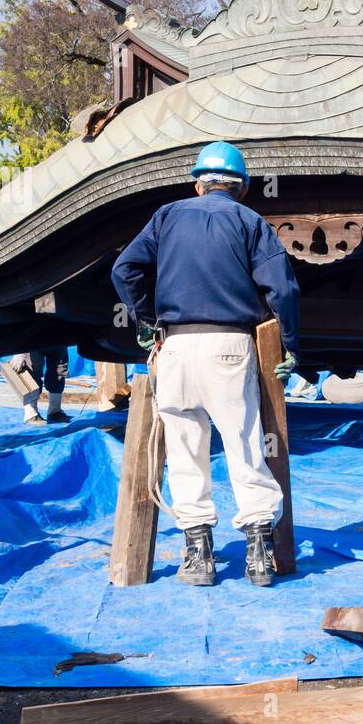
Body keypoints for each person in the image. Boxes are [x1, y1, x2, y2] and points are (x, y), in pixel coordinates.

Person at [111, 141, 300, 588]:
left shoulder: (167, 215)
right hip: (230, 349)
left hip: (173, 349)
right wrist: (290, 346)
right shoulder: (250, 221)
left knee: (184, 450)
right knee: (245, 446)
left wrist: (145, 322)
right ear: (243, 187)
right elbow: (284, 290)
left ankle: (198, 556)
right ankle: (258, 555)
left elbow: (124, 270)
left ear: (198, 183)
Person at [8, 347, 71, 426]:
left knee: (59, 374)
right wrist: (19, 352)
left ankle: (55, 411)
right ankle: (31, 414)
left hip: (60, 341)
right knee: (32, 375)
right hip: (33, 341)